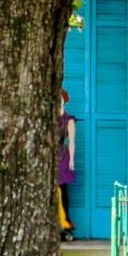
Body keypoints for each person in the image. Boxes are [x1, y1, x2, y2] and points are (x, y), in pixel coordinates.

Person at [57, 89, 77, 241]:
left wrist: (71, 159)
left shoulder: (69, 120)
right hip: (52, 156)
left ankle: (65, 224)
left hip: (63, 157)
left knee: (62, 190)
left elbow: (72, 142)